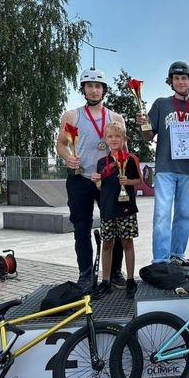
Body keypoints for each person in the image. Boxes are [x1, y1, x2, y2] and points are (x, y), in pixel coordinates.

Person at [56, 68, 126, 288]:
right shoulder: (72, 116)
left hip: (108, 180)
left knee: (114, 227)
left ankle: (114, 272)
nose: (94, 90)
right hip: (81, 178)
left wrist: (123, 169)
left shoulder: (115, 118)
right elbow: (61, 144)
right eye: (89, 86)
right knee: (81, 228)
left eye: (98, 86)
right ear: (83, 89)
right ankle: (85, 274)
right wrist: (68, 157)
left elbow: (123, 149)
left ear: (104, 90)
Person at [137, 61, 189, 269]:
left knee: (184, 215)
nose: (180, 82)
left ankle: (177, 254)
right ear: (170, 81)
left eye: (184, 78)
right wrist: (143, 124)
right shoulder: (161, 104)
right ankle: (160, 260)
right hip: (166, 168)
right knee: (162, 214)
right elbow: (147, 136)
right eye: (176, 78)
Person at [90, 122, 142, 299]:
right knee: (107, 244)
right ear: (105, 139)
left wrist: (128, 182)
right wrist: (96, 181)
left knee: (127, 243)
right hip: (107, 208)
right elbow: (100, 187)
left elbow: (139, 181)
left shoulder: (131, 159)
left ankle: (130, 280)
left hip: (126, 209)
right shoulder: (101, 162)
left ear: (124, 139)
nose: (114, 139)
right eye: (110, 136)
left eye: (117, 136)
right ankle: (105, 281)